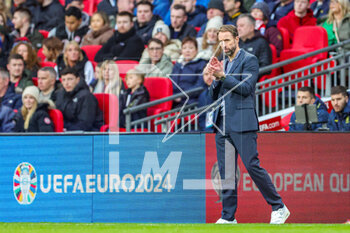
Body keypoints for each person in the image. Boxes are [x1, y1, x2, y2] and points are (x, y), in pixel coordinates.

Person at [205, 24, 289, 224]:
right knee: (226, 173)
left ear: (236, 39)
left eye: (227, 40)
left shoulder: (249, 60)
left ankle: (279, 207)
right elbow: (213, 95)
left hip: (242, 122)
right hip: (222, 124)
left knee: (252, 166)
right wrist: (215, 78)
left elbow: (246, 88)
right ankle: (228, 217)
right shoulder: (224, 63)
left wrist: (223, 76)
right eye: (221, 41)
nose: (223, 45)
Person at [55, 67, 104, 131]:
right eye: (63, 80)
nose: (66, 83)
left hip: (89, 133)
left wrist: (65, 128)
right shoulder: (60, 94)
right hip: (68, 130)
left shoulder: (86, 97)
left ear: (77, 80)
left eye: (70, 79)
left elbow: (85, 124)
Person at [171, 37, 207, 108]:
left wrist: (181, 96)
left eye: (191, 48)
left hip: (190, 103)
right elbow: (171, 83)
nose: (187, 51)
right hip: (173, 101)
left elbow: (200, 86)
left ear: (196, 50)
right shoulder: (177, 65)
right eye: (184, 48)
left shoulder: (201, 64)